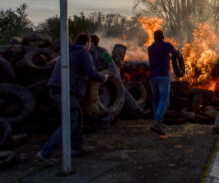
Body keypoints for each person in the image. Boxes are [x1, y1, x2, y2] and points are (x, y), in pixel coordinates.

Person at [36, 33, 109, 166]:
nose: (90, 46)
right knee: (69, 121)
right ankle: (45, 153)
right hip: (65, 90)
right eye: (89, 44)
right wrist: (103, 77)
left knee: (77, 116)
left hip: (60, 88)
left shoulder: (70, 51)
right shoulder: (83, 52)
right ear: (87, 43)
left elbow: (110, 64)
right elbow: (90, 71)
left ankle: (77, 147)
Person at [89, 35, 143, 128]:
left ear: (93, 43)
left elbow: (111, 64)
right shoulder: (88, 52)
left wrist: (110, 76)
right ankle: (136, 108)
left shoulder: (102, 52)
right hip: (100, 76)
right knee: (122, 92)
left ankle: (106, 120)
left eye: (89, 42)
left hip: (110, 74)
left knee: (111, 93)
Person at [147, 30, 180, 135]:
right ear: (163, 37)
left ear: (154, 38)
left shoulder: (150, 48)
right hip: (163, 76)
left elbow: (158, 57)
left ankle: (157, 121)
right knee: (164, 101)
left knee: (155, 100)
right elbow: (176, 54)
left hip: (152, 77)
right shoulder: (167, 45)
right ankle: (156, 122)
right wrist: (178, 53)